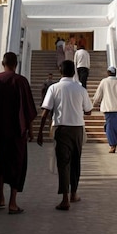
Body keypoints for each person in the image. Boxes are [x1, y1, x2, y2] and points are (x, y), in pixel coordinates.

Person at [0, 51, 37, 214]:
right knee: (17, 165)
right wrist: (31, 132)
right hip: (17, 132)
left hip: (0, 132)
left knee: (1, 163)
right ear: (16, 64)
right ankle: (13, 203)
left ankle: (1, 197)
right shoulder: (21, 81)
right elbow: (28, 110)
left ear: (3, 63)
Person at [37, 60, 92, 211]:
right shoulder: (80, 89)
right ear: (74, 72)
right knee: (76, 161)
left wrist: (40, 132)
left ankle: (65, 199)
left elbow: (45, 112)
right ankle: (74, 193)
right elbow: (88, 110)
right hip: (77, 129)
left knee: (63, 163)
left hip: (61, 129)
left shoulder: (54, 88)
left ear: (60, 72)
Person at [92, 66, 117, 153]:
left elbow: (98, 94)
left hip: (108, 108)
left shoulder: (104, 82)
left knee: (110, 127)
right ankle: (116, 142)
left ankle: (113, 144)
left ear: (108, 72)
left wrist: (94, 102)